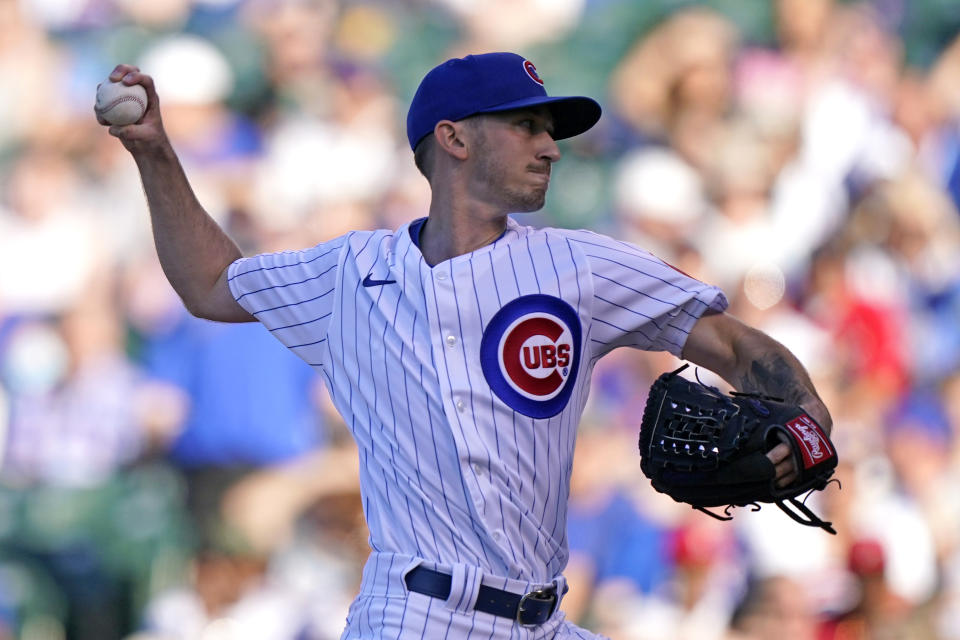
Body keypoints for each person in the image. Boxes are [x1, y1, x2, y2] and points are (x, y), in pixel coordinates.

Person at [98, 51, 832, 639]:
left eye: (551, 130)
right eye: (526, 126)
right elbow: (211, 285)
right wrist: (156, 155)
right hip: (413, 615)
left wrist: (807, 419)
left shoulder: (579, 267)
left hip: (545, 616)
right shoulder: (350, 273)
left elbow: (736, 346)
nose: (550, 145)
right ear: (452, 137)